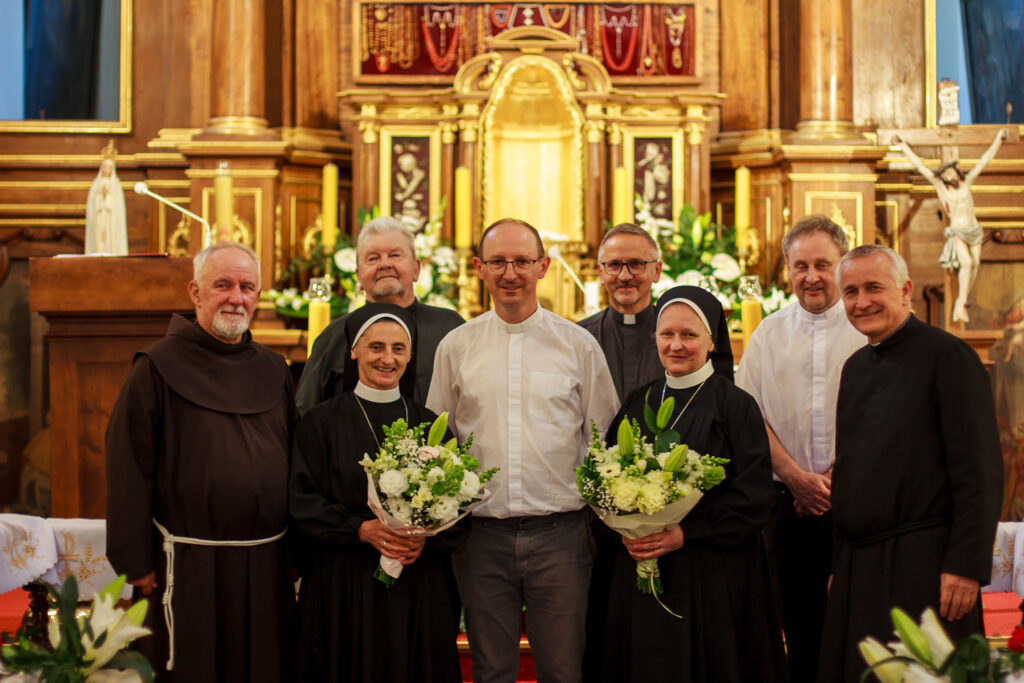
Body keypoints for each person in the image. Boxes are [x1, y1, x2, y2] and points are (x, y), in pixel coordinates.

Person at [427, 218, 618, 683]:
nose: (510, 273)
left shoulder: (578, 346)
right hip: (481, 539)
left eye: (521, 261)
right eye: (497, 262)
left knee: (562, 669)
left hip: (562, 537)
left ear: (543, 267)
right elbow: (437, 442)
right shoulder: (456, 347)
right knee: (492, 671)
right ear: (479, 268)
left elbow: (604, 440)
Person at [105, 242, 295, 682]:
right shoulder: (155, 367)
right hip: (185, 565)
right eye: (223, 285)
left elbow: (294, 460)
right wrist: (135, 562)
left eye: (247, 287)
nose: (236, 297)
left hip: (265, 564)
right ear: (195, 293)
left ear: (259, 295)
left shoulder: (274, 369)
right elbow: (128, 466)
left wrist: (295, 555)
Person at [817, 245, 1003, 683]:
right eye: (850, 292)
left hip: (926, 565)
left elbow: (979, 470)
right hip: (859, 567)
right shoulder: (856, 367)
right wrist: (838, 563)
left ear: (906, 291)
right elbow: (851, 472)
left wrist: (965, 565)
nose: (861, 302)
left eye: (873, 288)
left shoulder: (949, 357)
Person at [597, 285, 786, 682]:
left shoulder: (735, 406)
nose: (677, 345)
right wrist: (629, 533)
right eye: (667, 334)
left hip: (714, 575)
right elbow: (605, 477)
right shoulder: (637, 401)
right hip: (644, 567)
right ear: (656, 338)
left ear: (712, 341)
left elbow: (755, 498)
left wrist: (687, 533)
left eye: (689, 335)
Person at [289, 303, 464, 682]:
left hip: (417, 585)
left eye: (398, 349)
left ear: (411, 355)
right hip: (344, 586)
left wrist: (425, 542)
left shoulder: (430, 426)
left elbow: (460, 510)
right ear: (353, 350)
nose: (388, 358)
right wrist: (358, 529)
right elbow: (301, 502)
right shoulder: (319, 424)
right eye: (376, 347)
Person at [735, 215, 865, 683]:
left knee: (858, 631)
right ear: (787, 269)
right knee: (799, 631)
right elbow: (750, 416)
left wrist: (833, 482)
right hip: (786, 507)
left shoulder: (866, 328)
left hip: (857, 506)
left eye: (822, 264)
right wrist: (794, 476)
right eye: (800, 266)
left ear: (842, 264)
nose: (810, 276)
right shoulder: (768, 335)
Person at [297, 216, 463, 414]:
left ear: (416, 269)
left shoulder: (450, 329)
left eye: (395, 255)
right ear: (358, 276)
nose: (385, 264)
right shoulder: (335, 336)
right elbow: (305, 412)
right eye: (373, 258)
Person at [898, 130, 1007, 323]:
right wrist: (904, 147)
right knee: (966, 263)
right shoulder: (941, 188)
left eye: (952, 170)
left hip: (974, 230)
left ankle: (962, 302)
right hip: (958, 231)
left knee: (974, 266)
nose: (950, 174)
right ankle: (960, 303)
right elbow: (920, 166)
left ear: (957, 172)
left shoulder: (966, 184)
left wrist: (998, 139)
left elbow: (984, 161)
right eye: (946, 171)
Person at [579, 223, 664, 402]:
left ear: (656, 271)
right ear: (601, 273)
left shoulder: (675, 339)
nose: (624, 276)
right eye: (614, 265)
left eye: (636, 264)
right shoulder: (579, 337)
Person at [85, 157, 128, 255]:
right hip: (99, 215)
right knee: (98, 238)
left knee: (110, 238)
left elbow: (118, 204)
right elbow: (92, 202)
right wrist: (100, 197)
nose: (106, 170)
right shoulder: (96, 183)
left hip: (111, 218)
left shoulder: (116, 184)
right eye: (104, 167)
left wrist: (108, 197)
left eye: (108, 167)